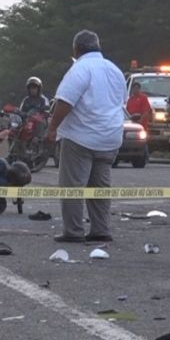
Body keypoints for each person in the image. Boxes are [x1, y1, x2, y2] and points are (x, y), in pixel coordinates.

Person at [46, 30, 125, 243]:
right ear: (98, 46)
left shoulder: (80, 69)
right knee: (99, 186)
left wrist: (52, 128)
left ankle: (73, 231)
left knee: (72, 186)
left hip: (81, 137)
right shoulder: (115, 70)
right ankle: (101, 229)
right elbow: (120, 102)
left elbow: (65, 101)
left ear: (76, 49)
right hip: (110, 138)